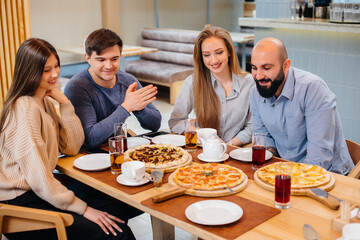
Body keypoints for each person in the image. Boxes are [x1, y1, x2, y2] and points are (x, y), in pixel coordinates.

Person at [0, 38, 141, 239]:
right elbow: (39, 179)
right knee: (118, 233)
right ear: (29, 71)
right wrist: (84, 210)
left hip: (39, 192)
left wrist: (65, 104)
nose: (55, 74)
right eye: (46, 70)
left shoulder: (43, 101)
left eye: (56, 66)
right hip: (20, 204)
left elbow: (72, 147)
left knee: (118, 206)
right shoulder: (25, 108)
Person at [250, 37, 354, 175]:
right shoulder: (255, 92)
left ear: (286, 65)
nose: (258, 76)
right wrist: (270, 158)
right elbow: (261, 136)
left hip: (329, 175)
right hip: (284, 171)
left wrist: (287, 177)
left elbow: (319, 158)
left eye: (266, 68)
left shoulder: (313, 89)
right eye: (254, 68)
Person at [64, 28, 161, 149]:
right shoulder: (77, 87)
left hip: (118, 147)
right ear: (88, 58)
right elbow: (90, 139)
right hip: (86, 155)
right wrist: (126, 107)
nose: (109, 66)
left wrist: (139, 108)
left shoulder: (128, 81)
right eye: (101, 60)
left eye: (114, 59)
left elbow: (155, 125)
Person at [168, 26, 254, 146]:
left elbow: (252, 127)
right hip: (202, 153)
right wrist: (201, 133)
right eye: (207, 55)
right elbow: (175, 122)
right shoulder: (192, 83)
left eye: (219, 52)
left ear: (229, 51)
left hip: (233, 150)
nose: (213, 60)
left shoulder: (249, 83)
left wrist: (227, 145)